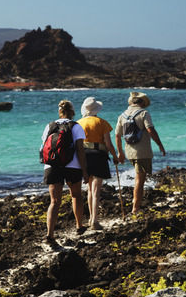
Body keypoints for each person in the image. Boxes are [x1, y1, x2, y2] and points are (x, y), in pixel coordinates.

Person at [41, 100, 89, 244]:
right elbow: (80, 150)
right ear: (72, 112)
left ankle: (50, 235)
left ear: (59, 112)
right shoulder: (76, 126)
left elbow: (45, 146)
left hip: (52, 165)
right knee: (76, 196)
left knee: (54, 201)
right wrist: (85, 171)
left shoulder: (49, 126)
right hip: (72, 166)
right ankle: (79, 226)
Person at [115, 91, 166, 215]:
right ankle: (135, 208)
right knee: (140, 180)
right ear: (142, 102)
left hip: (129, 152)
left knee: (139, 177)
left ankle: (136, 205)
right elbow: (150, 130)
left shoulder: (122, 115)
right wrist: (160, 144)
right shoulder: (144, 113)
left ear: (132, 102)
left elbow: (117, 135)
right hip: (142, 152)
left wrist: (120, 153)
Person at [77, 97, 118, 231]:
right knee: (96, 190)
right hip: (99, 155)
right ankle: (94, 220)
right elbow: (108, 144)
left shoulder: (78, 123)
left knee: (89, 189)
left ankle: (90, 219)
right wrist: (115, 156)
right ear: (96, 110)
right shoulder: (102, 122)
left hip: (84, 156)